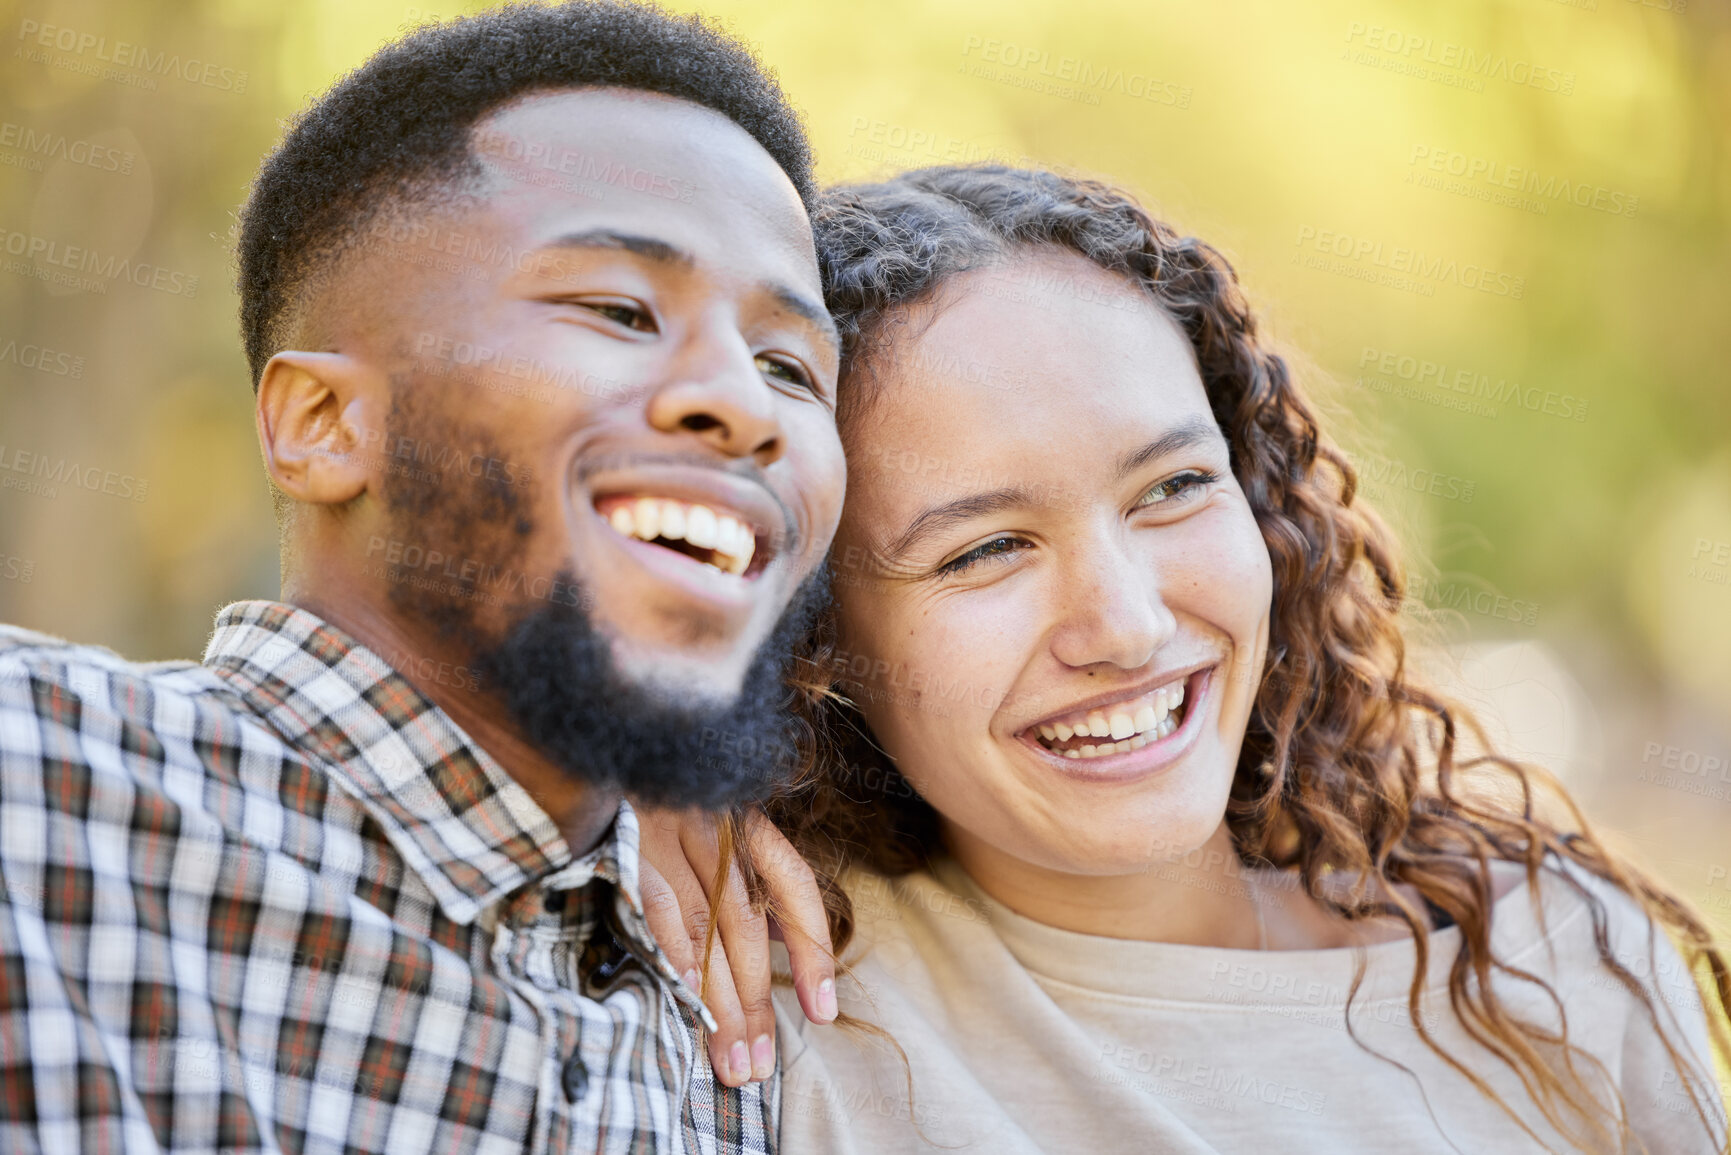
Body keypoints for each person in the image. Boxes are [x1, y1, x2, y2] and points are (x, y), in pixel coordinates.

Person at [639, 165, 1731, 1153]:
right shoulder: (752, 1015)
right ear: (809, 634)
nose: (1125, 626)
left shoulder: (1552, 966)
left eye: (1171, 488)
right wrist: (627, 780)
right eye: (984, 550)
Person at [0, 3, 848, 1150]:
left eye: (791, 368)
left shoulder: (756, 1021)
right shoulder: (39, 790)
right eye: (618, 309)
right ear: (323, 424)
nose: (745, 406)